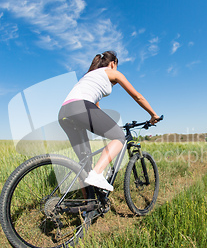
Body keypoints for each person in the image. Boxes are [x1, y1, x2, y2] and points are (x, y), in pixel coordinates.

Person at [58, 50, 160, 192]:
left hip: (64, 112)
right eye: (117, 66)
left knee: (85, 163)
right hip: (81, 106)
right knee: (119, 136)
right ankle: (98, 173)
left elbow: (97, 108)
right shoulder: (111, 72)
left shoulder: (90, 76)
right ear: (113, 63)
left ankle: (89, 205)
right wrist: (153, 114)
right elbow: (138, 96)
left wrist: (108, 124)